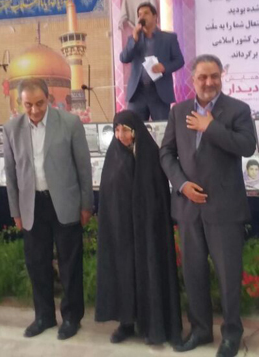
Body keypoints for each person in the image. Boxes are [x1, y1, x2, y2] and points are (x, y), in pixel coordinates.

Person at [160, 54, 255, 357]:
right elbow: (166, 153)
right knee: (194, 273)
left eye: (214, 76)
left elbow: (247, 146)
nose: (209, 82)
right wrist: (182, 184)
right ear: (192, 79)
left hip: (225, 209)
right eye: (202, 77)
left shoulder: (237, 110)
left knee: (228, 276)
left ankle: (231, 335)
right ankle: (200, 330)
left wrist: (210, 126)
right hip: (189, 209)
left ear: (221, 76)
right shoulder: (178, 112)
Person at [2, 78, 94, 340]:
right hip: (31, 205)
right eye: (28, 105)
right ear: (20, 103)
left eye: (39, 103)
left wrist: (86, 204)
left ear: (49, 99)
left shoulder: (70, 123)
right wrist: (15, 211)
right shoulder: (11, 129)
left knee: (69, 264)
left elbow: (83, 167)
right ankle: (44, 316)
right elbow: (11, 173)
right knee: (37, 263)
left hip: (64, 202)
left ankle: (72, 317)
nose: (34, 110)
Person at [95, 110, 182, 345]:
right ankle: (126, 322)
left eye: (125, 129)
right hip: (121, 230)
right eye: (116, 130)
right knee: (124, 273)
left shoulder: (151, 154)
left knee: (150, 272)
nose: (120, 135)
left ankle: (152, 326)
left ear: (136, 131)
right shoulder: (113, 155)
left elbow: (158, 193)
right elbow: (109, 194)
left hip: (148, 229)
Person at [120, 2, 185, 121]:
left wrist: (164, 67)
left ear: (155, 17)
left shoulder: (169, 38)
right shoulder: (134, 38)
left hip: (159, 92)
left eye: (146, 13)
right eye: (139, 14)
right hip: (138, 92)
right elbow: (124, 58)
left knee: (162, 128)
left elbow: (179, 61)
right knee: (135, 127)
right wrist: (134, 39)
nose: (142, 17)